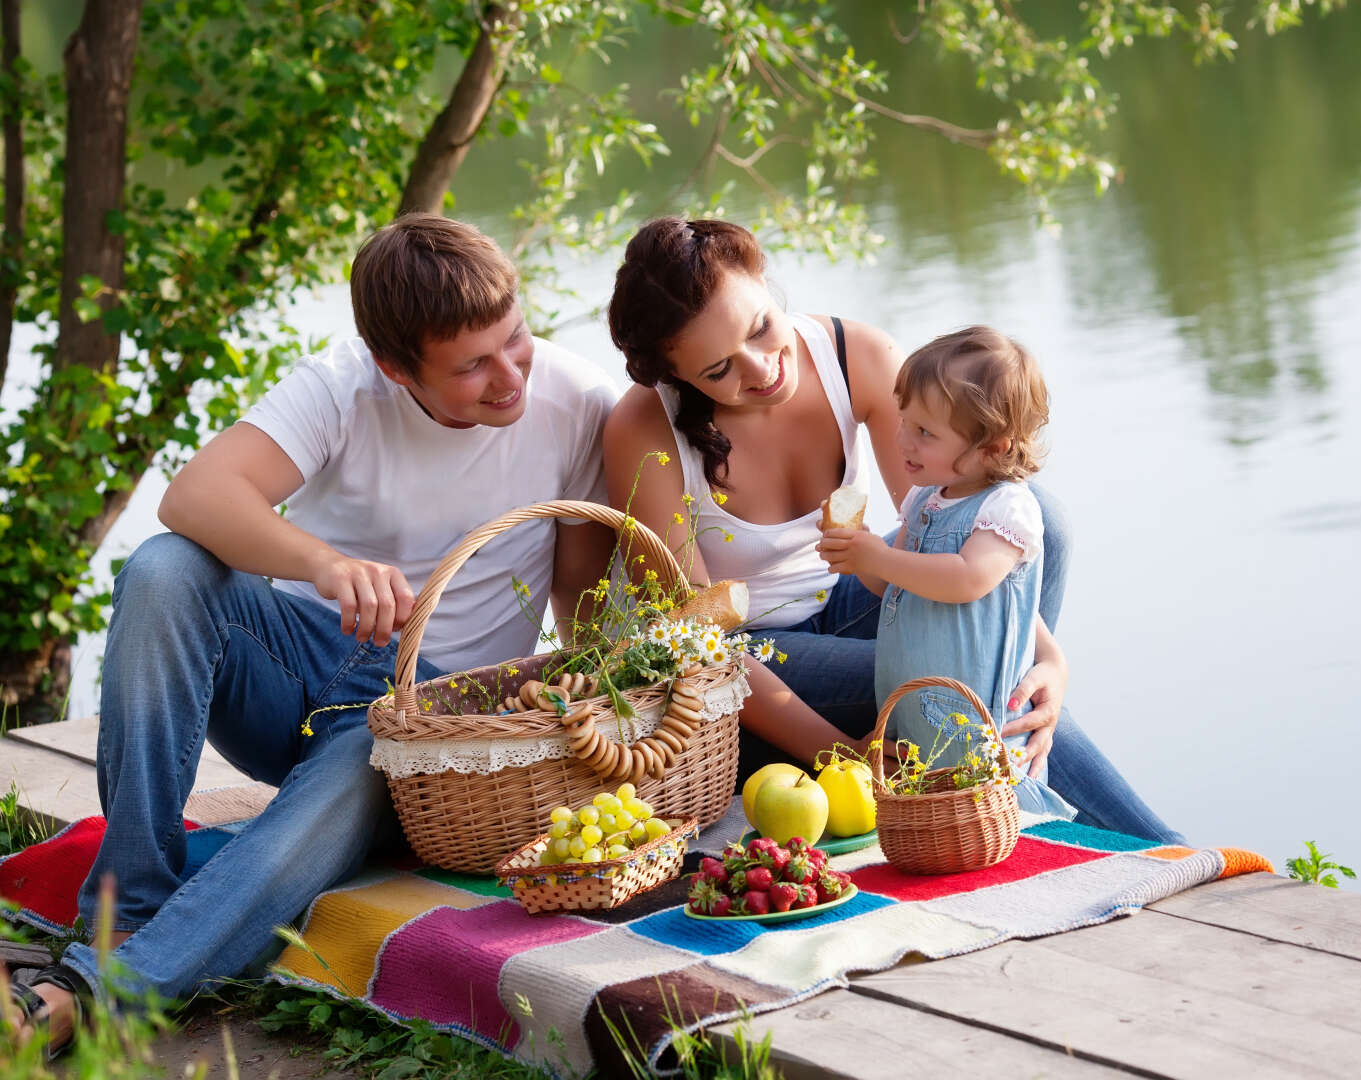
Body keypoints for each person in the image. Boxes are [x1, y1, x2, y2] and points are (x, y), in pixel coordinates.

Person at [7, 214, 618, 1055]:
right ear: (396, 368)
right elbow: (192, 497)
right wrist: (325, 564)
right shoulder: (341, 385)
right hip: (296, 676)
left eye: (515, 340)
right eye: (472, 365)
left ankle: (96, 990)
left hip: (434, 731)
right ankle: (127, 906)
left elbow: (582, 599)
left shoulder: (579, 401)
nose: (508, 375)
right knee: (163, 568)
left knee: (368, 753)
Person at [604, 216, 1181, 840]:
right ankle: (1166, 851)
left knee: (1034, 514)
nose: (761, 368)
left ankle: (1012, 784)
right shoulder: (645, 431)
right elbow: (699, 647)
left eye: (761, 327)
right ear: (675, 375)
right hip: (754, 665)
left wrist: (1048, 659)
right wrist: (847, 757)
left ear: (765, 279)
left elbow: (955, 527)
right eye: (719, 371)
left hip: (855, 600)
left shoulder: (857, 356)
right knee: (963, 684)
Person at [818, 326, 1074, 817]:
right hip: (916, 703)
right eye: (904, 421)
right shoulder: (923, 501)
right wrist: (857, 558)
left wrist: (879, 555)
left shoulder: (1006, 509)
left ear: (993, 448)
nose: (902, 441)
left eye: (925, 432)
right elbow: (895, 584)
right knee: (932, 799)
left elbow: (965, 579)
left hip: (976, 713)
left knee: (993, 806)